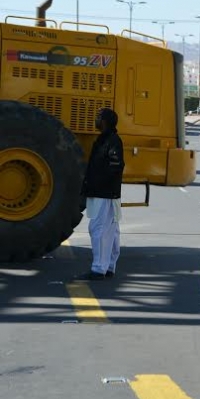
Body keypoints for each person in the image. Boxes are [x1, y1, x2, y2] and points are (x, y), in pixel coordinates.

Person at [78, 108, 125, 281]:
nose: (96, 120)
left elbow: (116, 165)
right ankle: (109, 266)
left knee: (97, 229)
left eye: (98, 117)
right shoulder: (106, 139)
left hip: (104, 193)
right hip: (107, 193)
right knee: (111, 230)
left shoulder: (110, 141)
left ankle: (98, 269)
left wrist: (98, 184)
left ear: (105, 121)